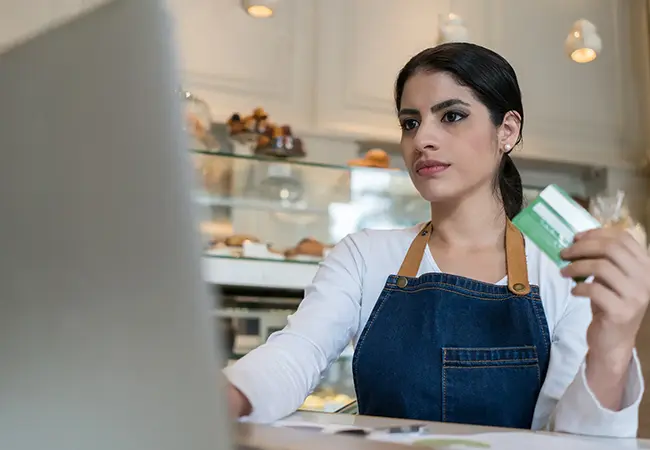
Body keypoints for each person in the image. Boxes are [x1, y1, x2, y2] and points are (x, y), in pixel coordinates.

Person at [224, 43, 650, 437]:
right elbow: (295, 354)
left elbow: (575, 441)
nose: (422, 139)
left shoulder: (563, 268)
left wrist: (613, 346)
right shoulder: (364, 255)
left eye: (451, 116)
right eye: (411, 122)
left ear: (508, 130)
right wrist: (219, 400)